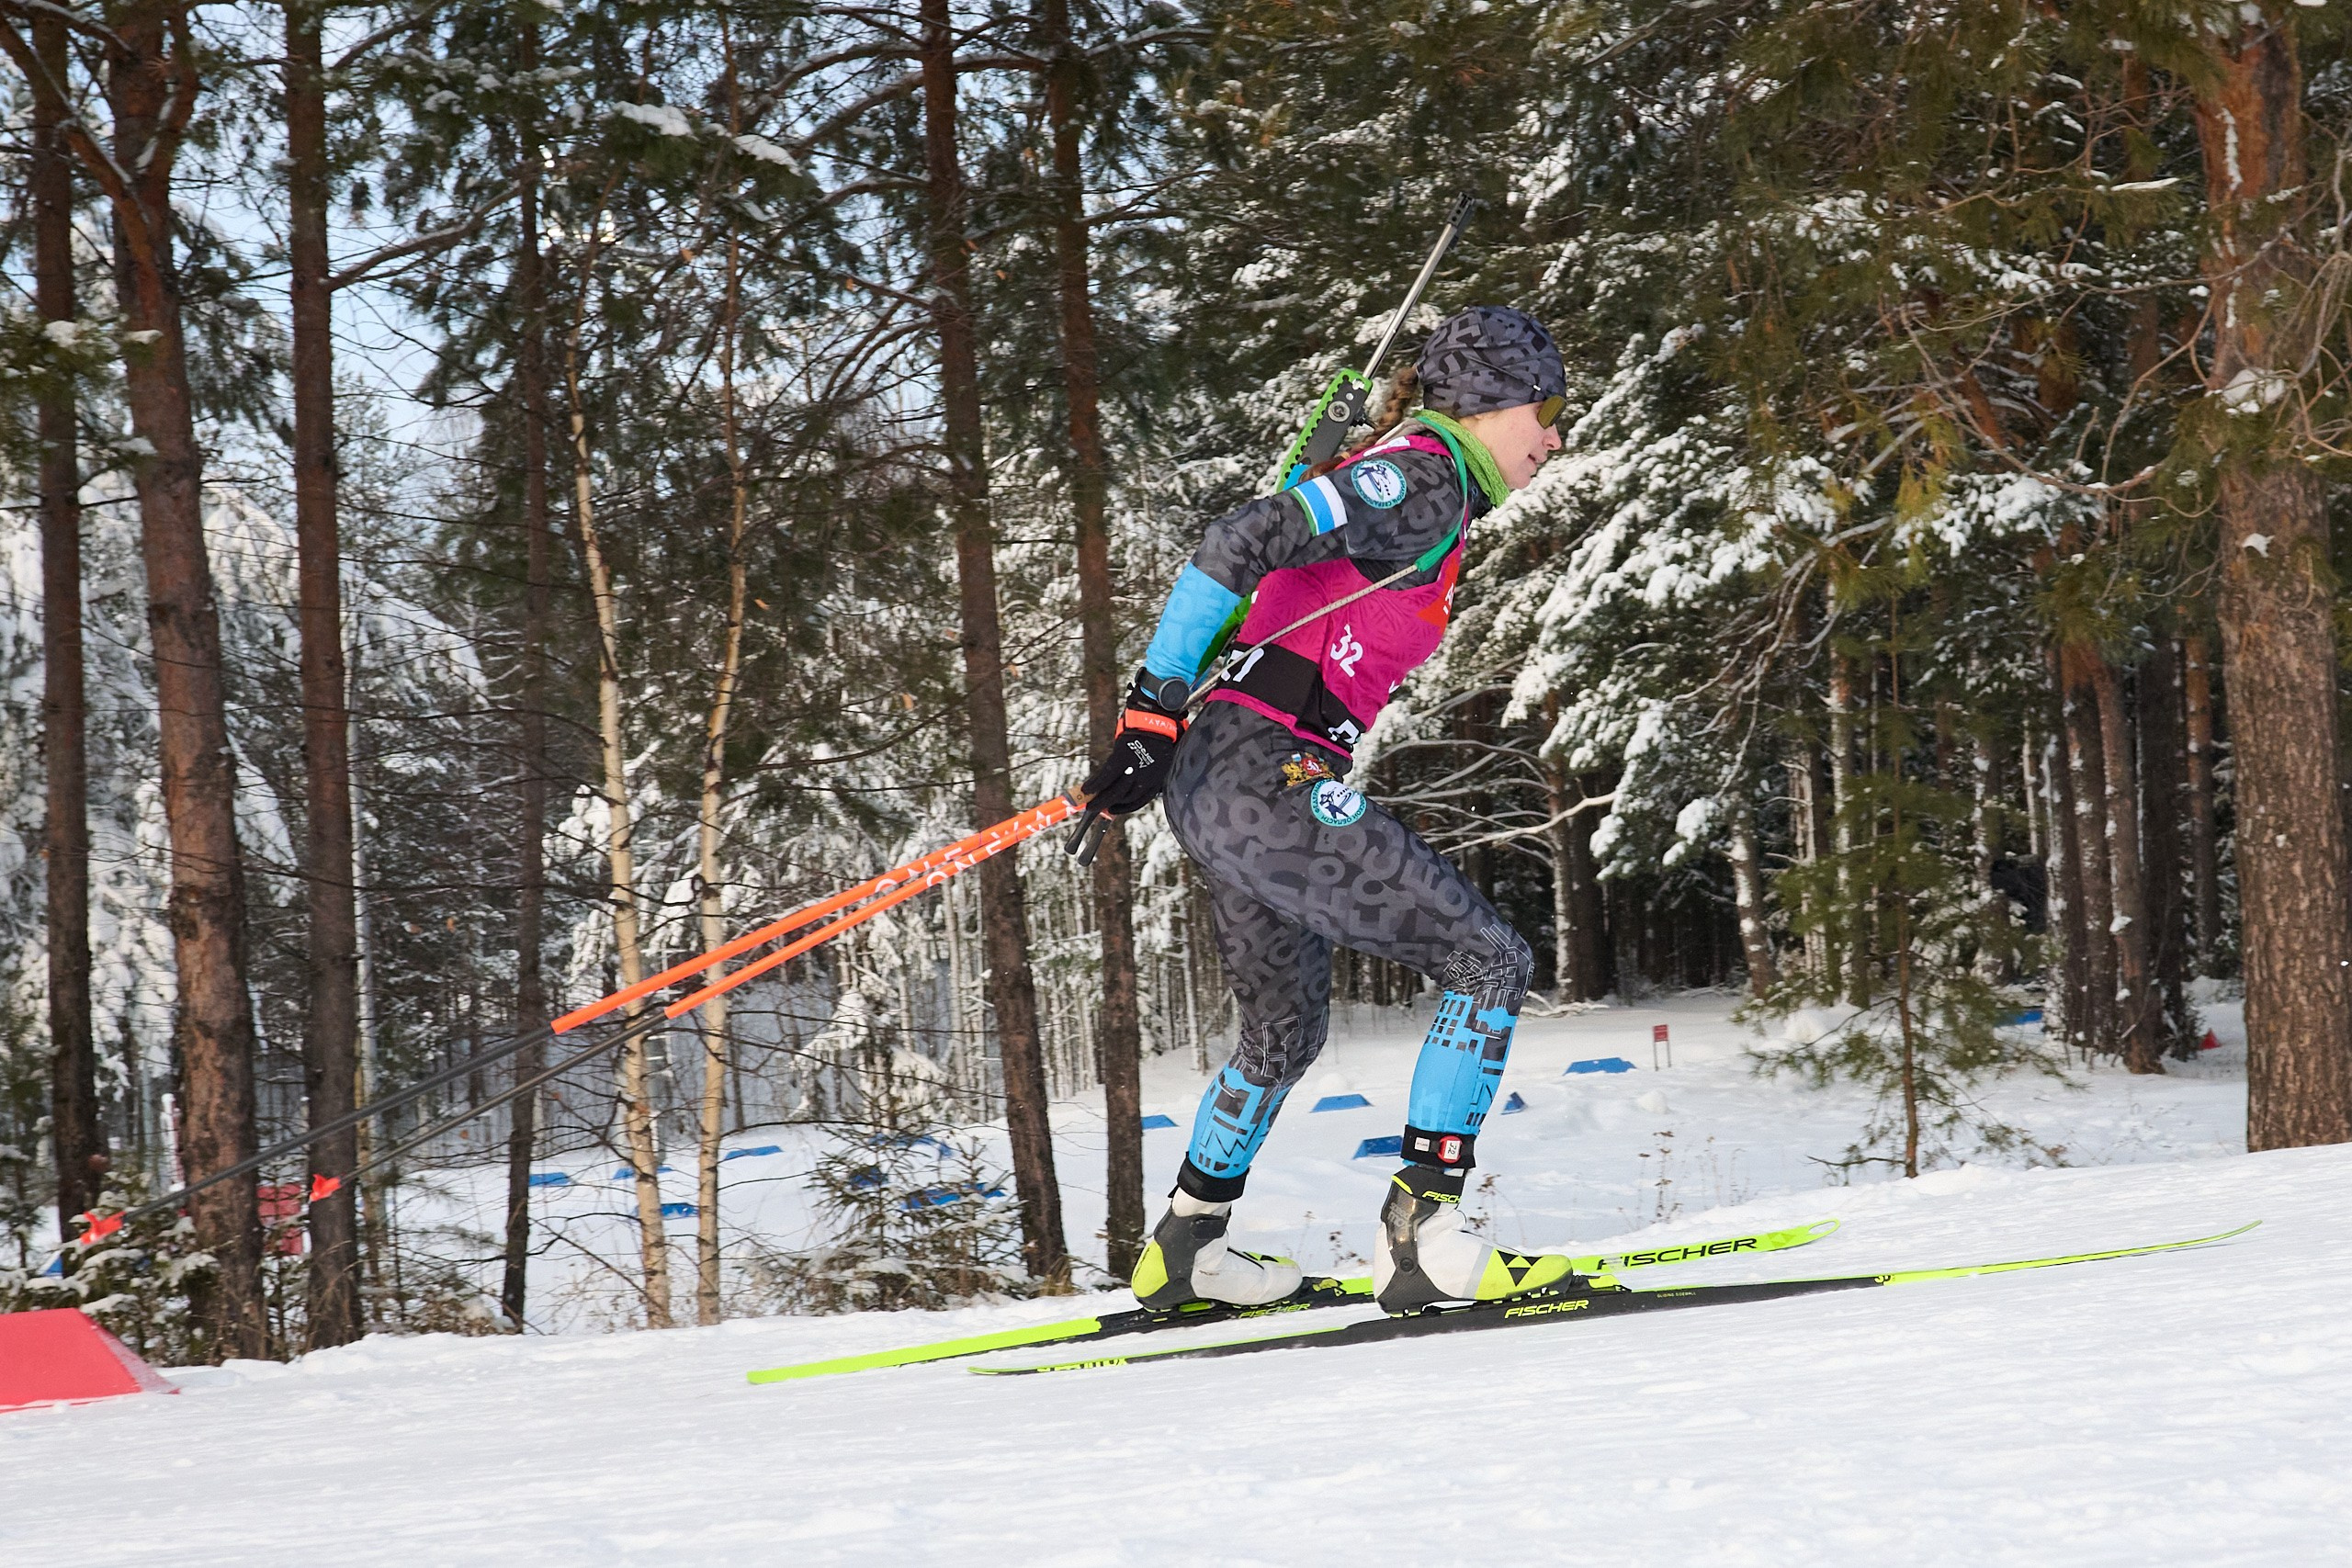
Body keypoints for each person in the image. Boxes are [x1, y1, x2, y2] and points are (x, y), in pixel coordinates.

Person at [1078, 305, 1571, 1316]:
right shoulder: (1424, 476)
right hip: (1263, 773)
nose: (1555, 436)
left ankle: (1185, 1249)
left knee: (1281, 1033)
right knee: (1488, 961)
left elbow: (1288, 549)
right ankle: (1423, 1234)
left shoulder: (1422, 485)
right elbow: (1241, 537)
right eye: (1546, 408)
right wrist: (1149, 704)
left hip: (1224, 783)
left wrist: (1164, 726)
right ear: (1484, 404)